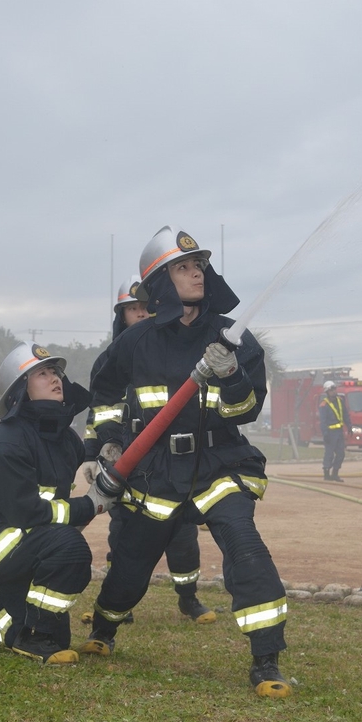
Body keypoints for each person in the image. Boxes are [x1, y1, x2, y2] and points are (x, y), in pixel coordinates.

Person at [80, 225, 291, 698]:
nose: (197, 272)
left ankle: (266, 660)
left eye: (199, 265)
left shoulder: (233, 338)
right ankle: (105, 629)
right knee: (132, 560)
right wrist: (109, 442)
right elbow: (105, 394)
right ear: (160, 283)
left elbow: (247, 410)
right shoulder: (136, 343)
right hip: (154, 470)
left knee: (245, 547)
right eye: (183, 267)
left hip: (221, 464)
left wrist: (232, 374)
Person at [0, 342, 115, 665]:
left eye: (55, 371)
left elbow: (53, 506)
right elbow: (26, 511)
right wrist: (91, 504)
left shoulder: (68, 442)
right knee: (71, 549)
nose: (55, 378)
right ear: (19, 391)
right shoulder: (6, 442)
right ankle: (33, 636)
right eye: (42, 373)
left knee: (61, 637)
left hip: (28, 537)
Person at [83, 276, 216, 625]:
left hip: (169, 462)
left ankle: (188, 598)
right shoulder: (115, 356)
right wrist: (93, 450)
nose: (140, 314)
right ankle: (117, 605)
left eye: (144, 307)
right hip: (124, 461)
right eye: (131, 310)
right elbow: (100, 409)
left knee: (182, 532)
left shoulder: (168, 352)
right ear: (121, 316)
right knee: (122, 532)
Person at [320, 380, 352, 482]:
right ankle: (326, 474)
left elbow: (346, 415)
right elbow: (323, 421)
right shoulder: (324, 405)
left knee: (340, 454)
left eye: (334, 389)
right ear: (327, 392)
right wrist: (325, 434)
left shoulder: (340, 401)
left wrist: (350, 426)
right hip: (330, 433)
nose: (334, 391)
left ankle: (335, 474)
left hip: (339, 432)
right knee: (329, 454)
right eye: (331, 390)